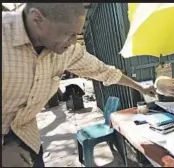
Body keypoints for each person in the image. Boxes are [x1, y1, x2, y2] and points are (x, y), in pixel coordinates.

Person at [2, 3, 156, 167]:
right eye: (69, 34)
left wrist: (140, 87)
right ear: (37, 19)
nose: (74, 41)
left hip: (27, 137)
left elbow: (102, 70)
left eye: (77, 34)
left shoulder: (68, 50)